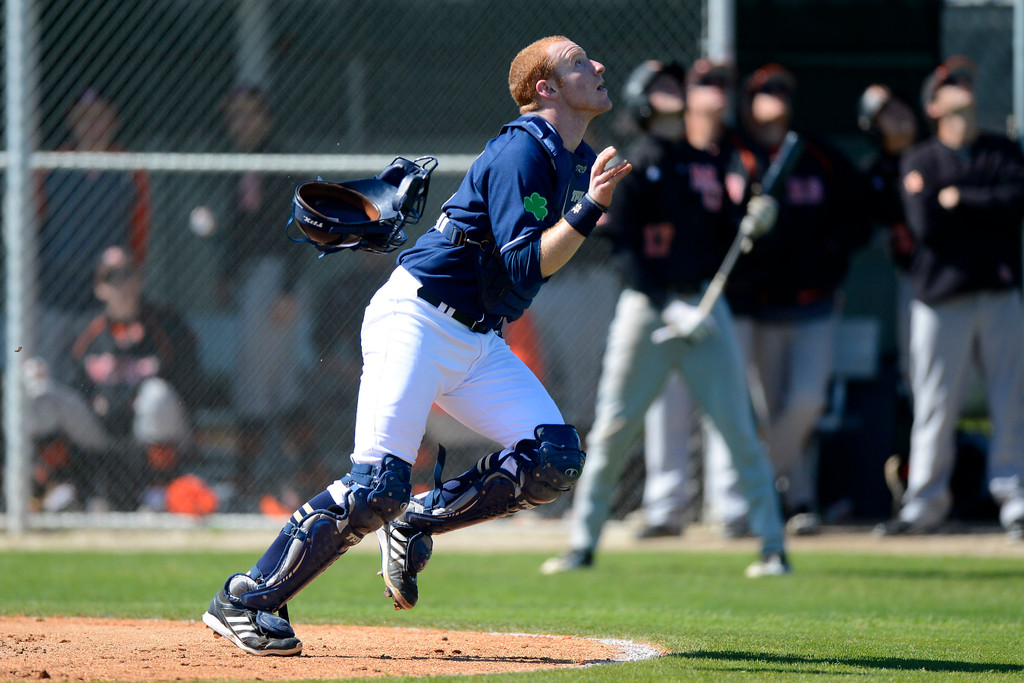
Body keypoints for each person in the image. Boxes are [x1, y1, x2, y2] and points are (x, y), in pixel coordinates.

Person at [201, 35, 632, 656]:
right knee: (377, 483)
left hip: (477, 340)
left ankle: (416, 521)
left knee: (552, 458)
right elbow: (521, 268)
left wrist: (591, 203)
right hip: (418, 320)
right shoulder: (523, 151)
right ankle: (247, 597)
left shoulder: (573, 156)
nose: (596, 66)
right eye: (576, 63)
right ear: (546, 89)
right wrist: (589, 209)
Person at [539, 59, 789, 579]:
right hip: (646, 309)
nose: (674, 91)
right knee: (614, 428)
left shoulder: (709, 160)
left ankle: (773, 547)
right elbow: (623, 250)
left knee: (738, 427)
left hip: (704, 305)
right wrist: (664, 301)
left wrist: (754, 223)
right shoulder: (633, 162)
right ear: (641, 100)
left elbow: (722, 239)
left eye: (677, 84)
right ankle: (583, 543)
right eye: (660, 86)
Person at [704, 64, 870, 536]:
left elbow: (856, 212)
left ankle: (758, 482)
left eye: (783, 90)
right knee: (761, 408)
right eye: (765, 90)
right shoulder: (732, 152)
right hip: (755, 303)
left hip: (812, 301)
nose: (776, 97)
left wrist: (830, 253)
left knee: (807, 402)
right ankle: (797, 501)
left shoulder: (814, 151)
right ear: (747, 100)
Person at [874, 56, 1024, 540]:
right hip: (939, 299)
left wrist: (960, 198)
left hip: (999, 292)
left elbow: (1015, 203)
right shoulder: (920, 157)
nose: (962, 87)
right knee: (935, 404)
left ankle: (1015, 500)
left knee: (1011, 399)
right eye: (950, 84)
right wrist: (981, 204)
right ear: (934, 105)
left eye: (966, 80)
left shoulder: (1001, 150)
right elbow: (926, 226)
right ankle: (925, 504)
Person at [22, 245, 200, 511]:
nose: (122, 284)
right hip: (100, 428)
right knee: (44, 396)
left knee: (156, 395)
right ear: (99, 288)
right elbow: (71, 385)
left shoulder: (166, 324)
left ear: (140, 280)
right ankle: (59, 486)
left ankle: (158, 491)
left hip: (152, 429)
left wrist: (131, 400)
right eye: (112, 277)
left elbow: (189, 382)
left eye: (129, 274)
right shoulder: (85, 328)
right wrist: (95, 400)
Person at [216, 86, 312, 511]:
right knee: (280, 382)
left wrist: (288, 289)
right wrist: (226, 273)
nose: (242, 124)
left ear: (266, 119)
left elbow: (302, 229)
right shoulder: (241, 164)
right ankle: (307, 472)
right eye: (235, 116)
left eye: (250, 115)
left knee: (256, 383)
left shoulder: (279, 162)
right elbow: (239, 231)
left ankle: (244, 479)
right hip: (252, 279)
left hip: (274, 279)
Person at [36, 88, 151, 374]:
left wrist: (129, 283)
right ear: (72, 123)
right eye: (83, 118)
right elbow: (34, 221)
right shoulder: (52, 163)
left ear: (114, 121)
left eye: (100, 117)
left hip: (104, 300)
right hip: (52, 293)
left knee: (96, 378)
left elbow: (139, 230)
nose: (92, 125)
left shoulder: (129, 166)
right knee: (44, 373)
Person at [856, 83, 920, 510]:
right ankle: (913, 485)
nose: (895, 113)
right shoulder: (877, 172)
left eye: (896, 104)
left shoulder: (938, 152)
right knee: (918, 390)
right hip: (917, 284)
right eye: (883, 112)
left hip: (978, 283)